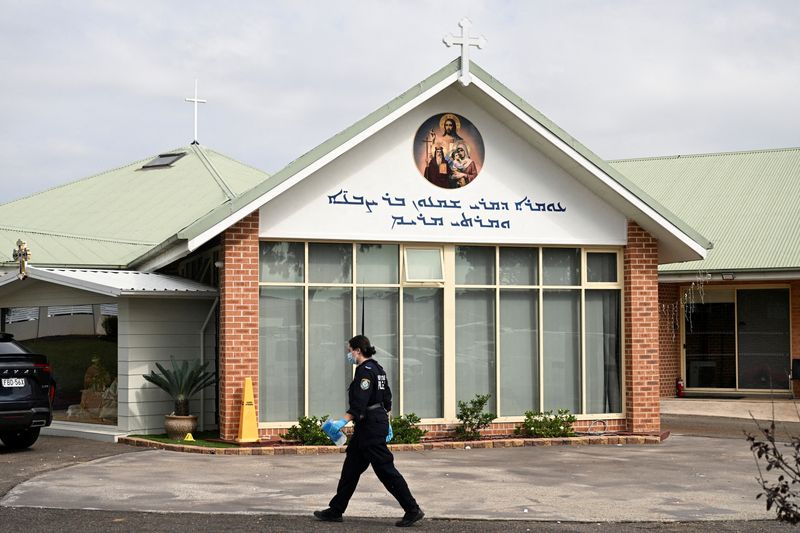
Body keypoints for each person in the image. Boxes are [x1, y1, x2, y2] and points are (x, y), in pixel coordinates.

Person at [314, 335, 424, 528]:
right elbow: (387, 397)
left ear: (358, 350)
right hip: (371, 424)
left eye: (350, 350)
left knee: (385, 470)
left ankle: (412, 509)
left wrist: (342, 422)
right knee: (351, 469)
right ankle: (336, 509)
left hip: (370, 427)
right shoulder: (378, 369)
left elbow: (360, 402)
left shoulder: (364, 371)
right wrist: (385, 418)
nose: (349, 354)